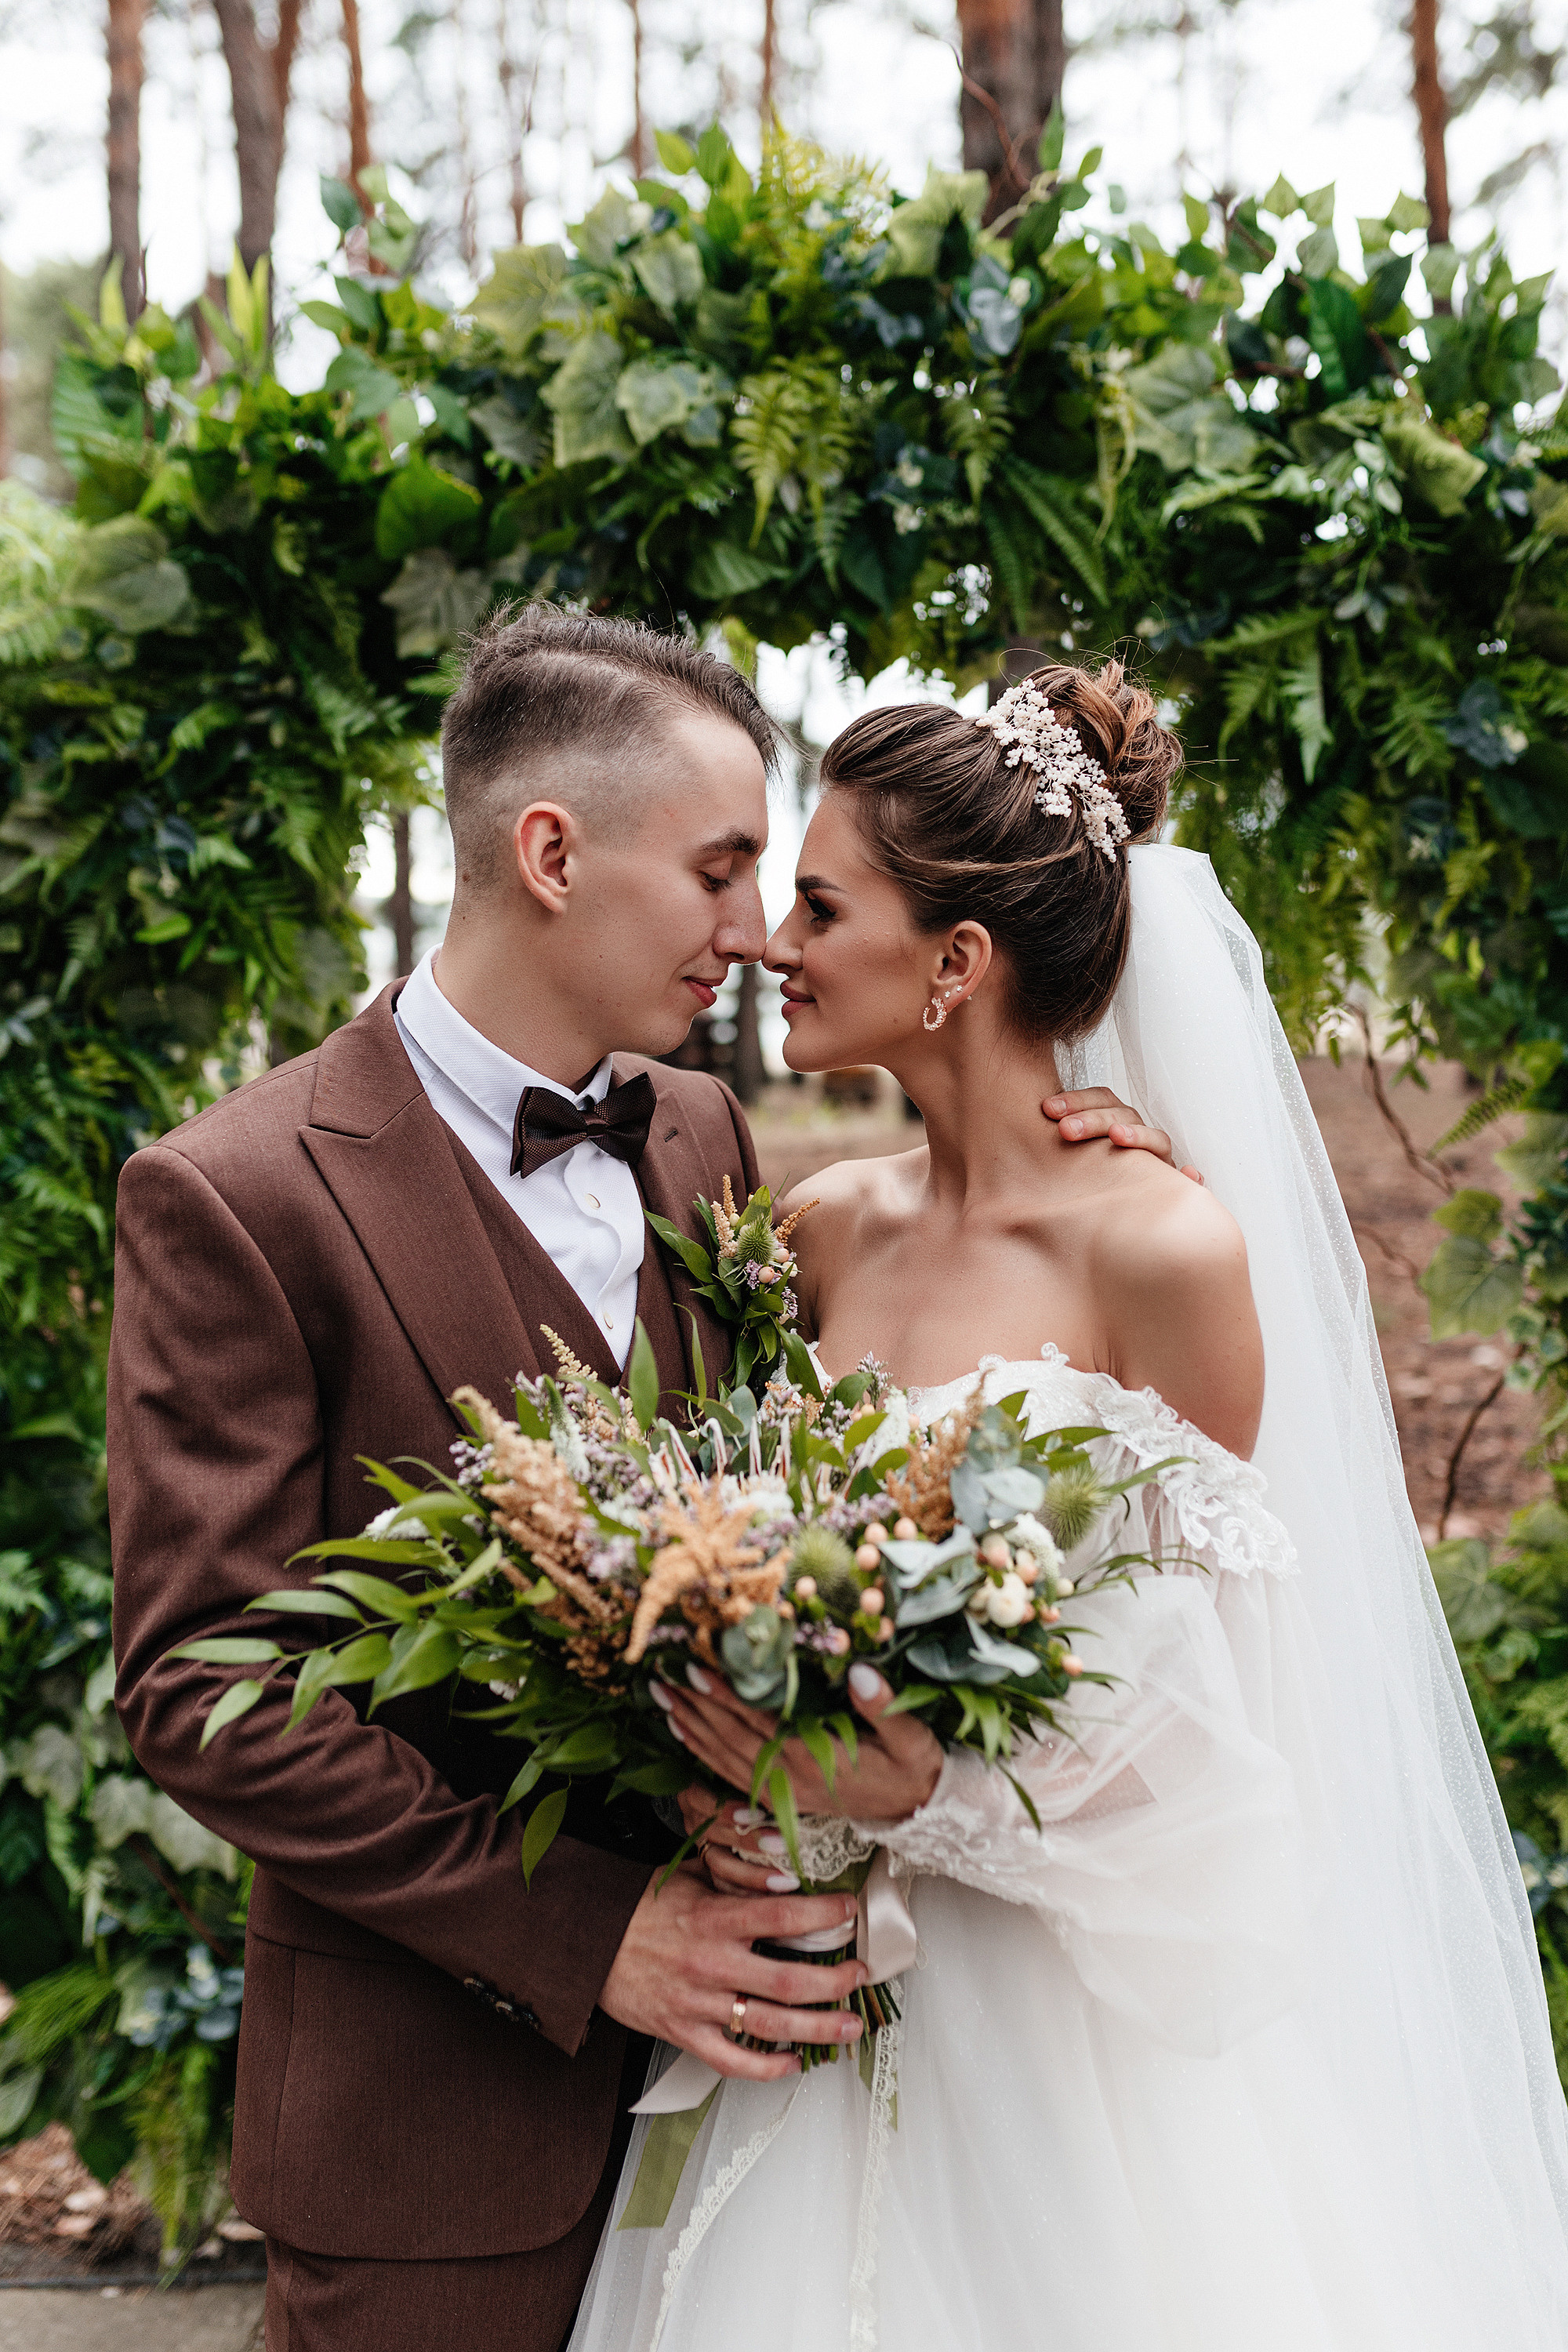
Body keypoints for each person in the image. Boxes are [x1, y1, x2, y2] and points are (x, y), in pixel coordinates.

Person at [107, 611, 1172, 2352]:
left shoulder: (702, 1140)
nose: (755, 934)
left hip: (773, 2114)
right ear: (549, 853)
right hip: (435, 2127)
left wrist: (1085, 1150)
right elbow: (201, 1686)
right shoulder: (233, 1195)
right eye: (722, 870)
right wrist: (592, 1930)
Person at [564, 662, 1568, 2352]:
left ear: (955, 962)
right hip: (805, 2005)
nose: (771, 944)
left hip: (1059, 2061)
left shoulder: (1159, 1249)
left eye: (818, 904)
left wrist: (926, 1785)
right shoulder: (811, 1235)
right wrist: (739, 1789)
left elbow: (1227, 1760)